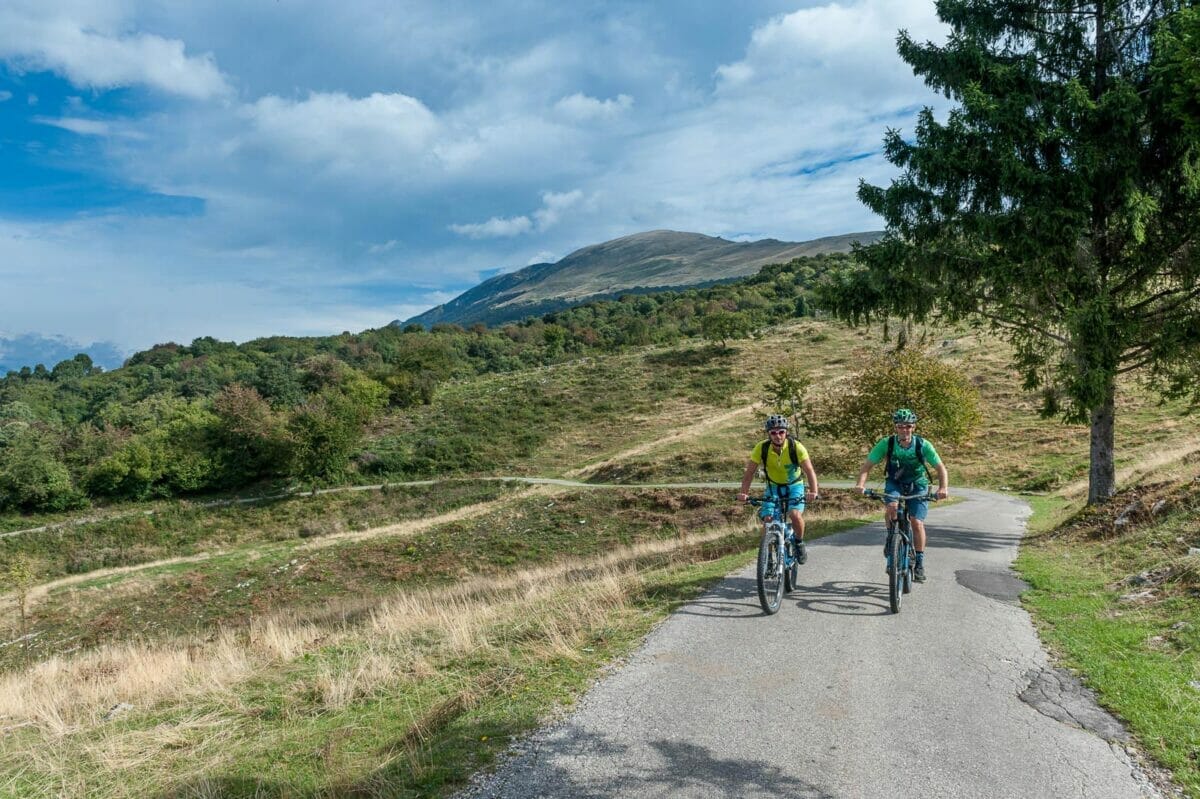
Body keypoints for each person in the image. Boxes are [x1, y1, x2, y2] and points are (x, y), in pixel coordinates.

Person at [853, 408, 949, 582]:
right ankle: (891, 537)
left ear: (913, 427)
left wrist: (943, 488)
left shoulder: (922, 445)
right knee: (892, 505)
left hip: (918, 484)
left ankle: (919, 562)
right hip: (895, 482)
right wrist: (860, 485)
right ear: (896, 427)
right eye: (901, 426)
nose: (905, 430)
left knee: (916, 522)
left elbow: (941, 468)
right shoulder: (887, 443)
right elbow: (867, 467)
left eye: (908, 426)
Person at [737, 414, 819, 563]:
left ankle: (799, 543)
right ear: (768, 434)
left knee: (794, 515)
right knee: (768, 520)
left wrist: (813, 492)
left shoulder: (797, 447)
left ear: (786, 432)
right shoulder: (761, 448)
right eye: (773, 433)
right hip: (772, 487)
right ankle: (767, 555)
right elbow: (749, 472)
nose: (778, 436)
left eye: (781, 432)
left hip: (795, 486)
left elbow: (809, 470)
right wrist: (744, 493)